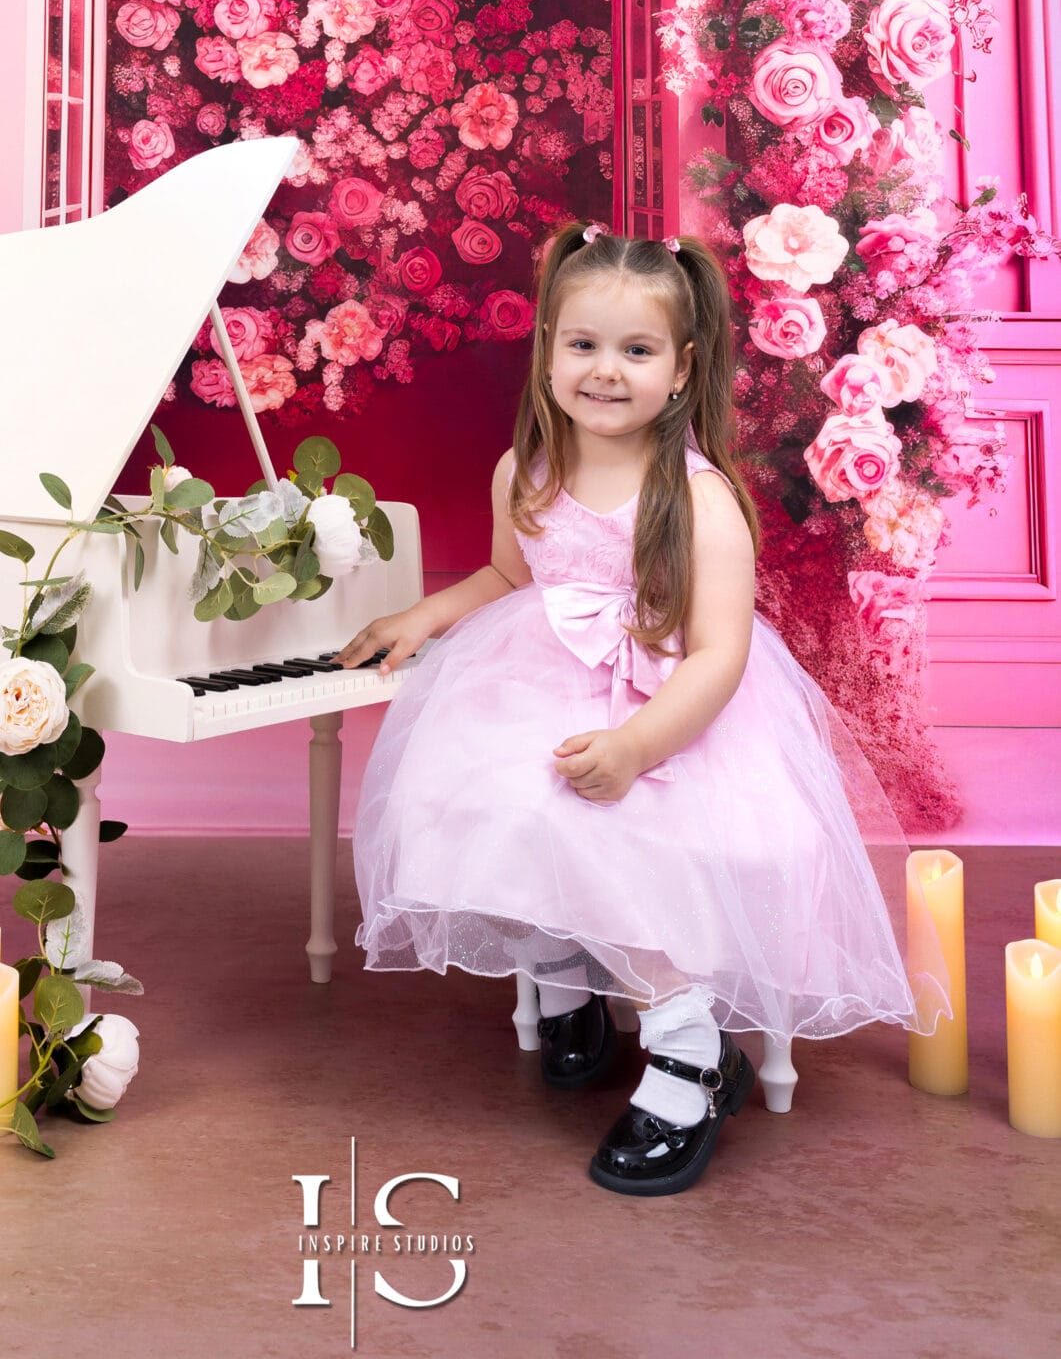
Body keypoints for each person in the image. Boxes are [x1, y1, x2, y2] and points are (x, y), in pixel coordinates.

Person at [337, 224, 951, 1197]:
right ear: (546, 351)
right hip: (542, 679)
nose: (604, 372)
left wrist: (634, 745)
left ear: (679, 369)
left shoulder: (697, 500)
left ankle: (688, 1053)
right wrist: (427, 614)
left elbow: (717, 654)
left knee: (617, 822)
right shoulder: (524, 471)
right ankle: (567, 967)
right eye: (581, 345)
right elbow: (509, 572)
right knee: (476, 793)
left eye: (635, 351)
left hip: (672, 708)